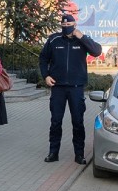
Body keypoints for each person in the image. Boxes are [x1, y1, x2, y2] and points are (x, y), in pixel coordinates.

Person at [38, 13, 103, 165]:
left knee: (78, 122)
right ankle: (53, 152)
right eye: (64, 25)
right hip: (58, 88)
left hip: (76, 88)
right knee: (55, 122)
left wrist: (82, 37)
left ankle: (79, 154)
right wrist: (45, 76)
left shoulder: (82, 40)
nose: (67, 28)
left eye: (69, 25)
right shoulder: (54, 40)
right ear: (61, 25)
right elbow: (43, 58)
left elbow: (97, 51)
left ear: (75, 24)